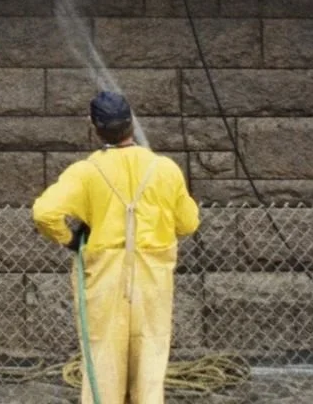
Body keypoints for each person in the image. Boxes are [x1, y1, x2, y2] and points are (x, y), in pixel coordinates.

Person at [32, 91, 200, 404]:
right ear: (131, 123)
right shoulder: (165, 169)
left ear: (93, 126)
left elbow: (44, 213)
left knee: (103, 365)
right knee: (150, 366)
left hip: (105, 280)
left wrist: (69, 240)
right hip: (153, 281)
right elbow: (188, 224)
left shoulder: (86, 171)